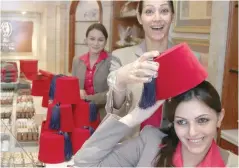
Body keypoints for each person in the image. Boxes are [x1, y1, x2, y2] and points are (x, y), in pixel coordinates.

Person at [73, 81, 238, 167]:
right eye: (182, 122)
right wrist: (134, 117)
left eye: (202, 120)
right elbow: (85, 163)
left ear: (220, 117)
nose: (192, 132)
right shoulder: (151, 142)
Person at [106, 0, 208, 130]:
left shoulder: (191, 58)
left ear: (172, 16)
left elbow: (200, 110)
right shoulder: (121, 57)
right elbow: (114, 113)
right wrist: (121, 80)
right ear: (139, 17)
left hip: (176, 145)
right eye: (149, 11)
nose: (157, 18)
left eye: (164, 11)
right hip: (132, 144)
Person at [72, 23, 120, 121]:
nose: (96, 43)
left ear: (106, 42)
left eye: (100, 40)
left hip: (104, 115)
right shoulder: (77, 60)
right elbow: (72, 86)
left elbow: (114, 93)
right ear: (86, 40)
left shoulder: (113, 61)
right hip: (81, 113)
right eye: (92, 39)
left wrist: (88, 98)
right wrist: (77, 91)